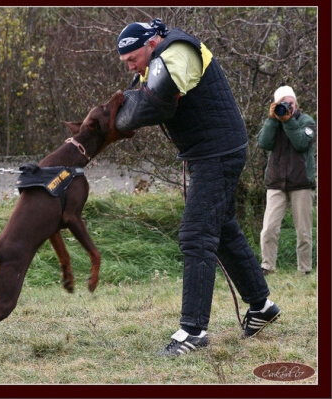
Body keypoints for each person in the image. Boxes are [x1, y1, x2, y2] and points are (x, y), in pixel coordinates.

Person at [114, 19, 280, 356]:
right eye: (127, 63)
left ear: (150, 43)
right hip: (211, 150)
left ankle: (193, 332)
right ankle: (261, 306)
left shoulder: (177, 51)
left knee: (196, 234)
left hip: (217, 153)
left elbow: (150, 103)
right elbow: (136, 101)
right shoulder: (158, 56)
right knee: (223, 229)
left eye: (133, 59)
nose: (131, 67)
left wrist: (114, 118)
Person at [257, 86, 316, 275]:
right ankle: (267, 266)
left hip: (301, 183)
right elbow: (263, 143)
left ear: (296, 103)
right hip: (276, 183)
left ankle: (304, 269)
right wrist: (272, 120)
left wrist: (288, 121)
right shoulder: (274, 122)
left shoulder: (307, 121)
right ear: (275, 104)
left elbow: (301, 143)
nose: (287, 106)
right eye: (283, 103)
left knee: (303, 231)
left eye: (290, 102)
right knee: (269, 229)